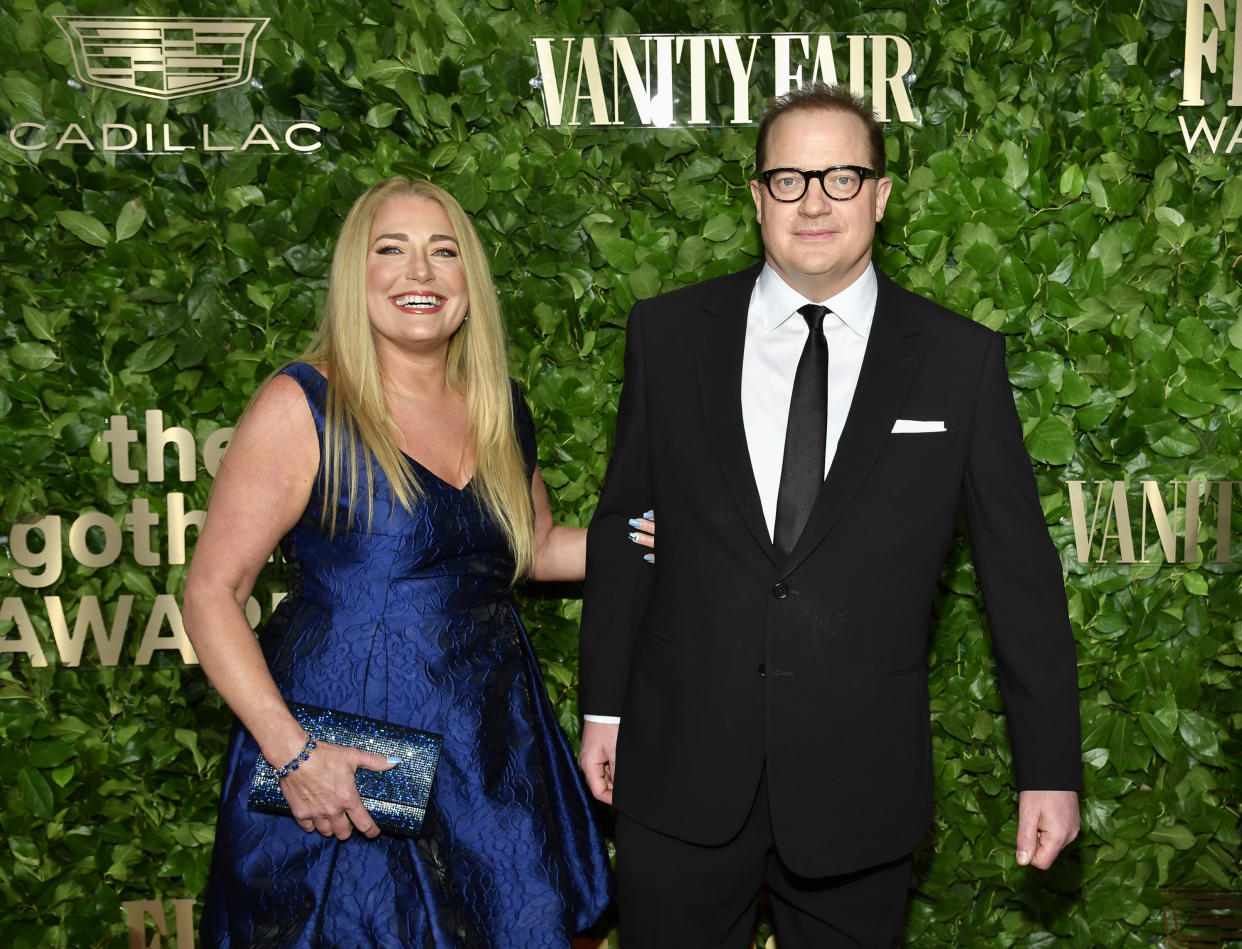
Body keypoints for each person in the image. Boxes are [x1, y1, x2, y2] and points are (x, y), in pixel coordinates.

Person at [577, 83, 1082, 948]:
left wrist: (1050, 770)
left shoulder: (958, 361)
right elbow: (626, 529)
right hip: (679, 765)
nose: (814, 201)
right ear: (756, 198)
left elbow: (1020, 578)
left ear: (882, 195)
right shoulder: (668, 335)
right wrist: (604, 710)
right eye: (789, 178)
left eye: (842, 176)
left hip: (859, 785)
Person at [183, 177, 649, 948]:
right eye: (390, 251)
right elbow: (211, 591)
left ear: (470, 278)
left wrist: (664, 532)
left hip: (489, 741)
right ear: (354, 276)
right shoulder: (303, 405)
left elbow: (531, 546)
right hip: (350, 748)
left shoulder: (499, 402)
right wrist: (292, 752)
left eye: (444, 252)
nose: (420, 273)